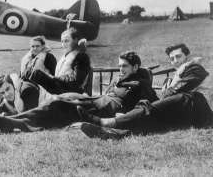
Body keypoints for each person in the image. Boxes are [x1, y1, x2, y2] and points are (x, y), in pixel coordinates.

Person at [0, 51, 157, 132]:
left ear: (136, 66)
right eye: (119, 66)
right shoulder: (121, 79)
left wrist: (122, 114)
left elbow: (152, 104)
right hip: (95, 100)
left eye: (124, 66)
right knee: (60, 98)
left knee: (57, 104)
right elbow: (105, 94)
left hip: (103, 109)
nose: (120, 69)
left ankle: (9, 122)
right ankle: (14, 120)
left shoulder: (141, 84)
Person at [80, 43, 213, 140]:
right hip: (185, 113)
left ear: (187, 56)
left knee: (183, 98)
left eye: (178, 57)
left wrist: (165, 93)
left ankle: (109, 122)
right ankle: (116, 133)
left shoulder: (195, 67)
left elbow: (181, 89)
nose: (175, 61)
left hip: (199, 108)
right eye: (172, 59)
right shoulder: (178, 74)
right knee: (147, 108)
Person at [27, 28, 90, 94]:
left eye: (66, 41)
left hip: (69, 90)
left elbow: (77, 80)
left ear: (75, 40)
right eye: (62, 41)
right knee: (30, 72)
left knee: (36, 74)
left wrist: (55, 78)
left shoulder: (81, 56)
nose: (63, 44)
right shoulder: (64, 56)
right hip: (60, 86)